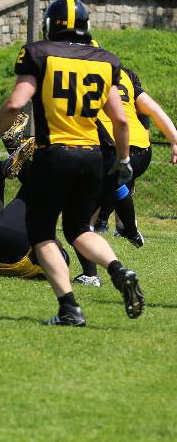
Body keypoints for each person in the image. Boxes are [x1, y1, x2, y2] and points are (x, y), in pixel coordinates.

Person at [0, 0, 143, 326]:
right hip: (93, 157)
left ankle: (69, 307)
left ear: (49, 25)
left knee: (41, 234)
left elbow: (15, 103)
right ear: (86, 26)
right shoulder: (105, 60)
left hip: (54, 154)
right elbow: (121, 121)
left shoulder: (39, 53)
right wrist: (124, 158)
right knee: (79, 228)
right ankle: (117, 269)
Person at [74, 65, 177, 285]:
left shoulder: (78, 71)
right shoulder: (123, 74)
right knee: (111, 187)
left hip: (113, 147)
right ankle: (127, 228)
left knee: (80, 217)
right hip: (142, 150)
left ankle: (91, 274)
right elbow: (153, 108)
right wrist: (174, 139)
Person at [0, 157, 70, 279]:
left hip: (10, 242)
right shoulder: (34, 270)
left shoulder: (37, 263)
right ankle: (12, 165)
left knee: (36, 187)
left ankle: (16, 162)